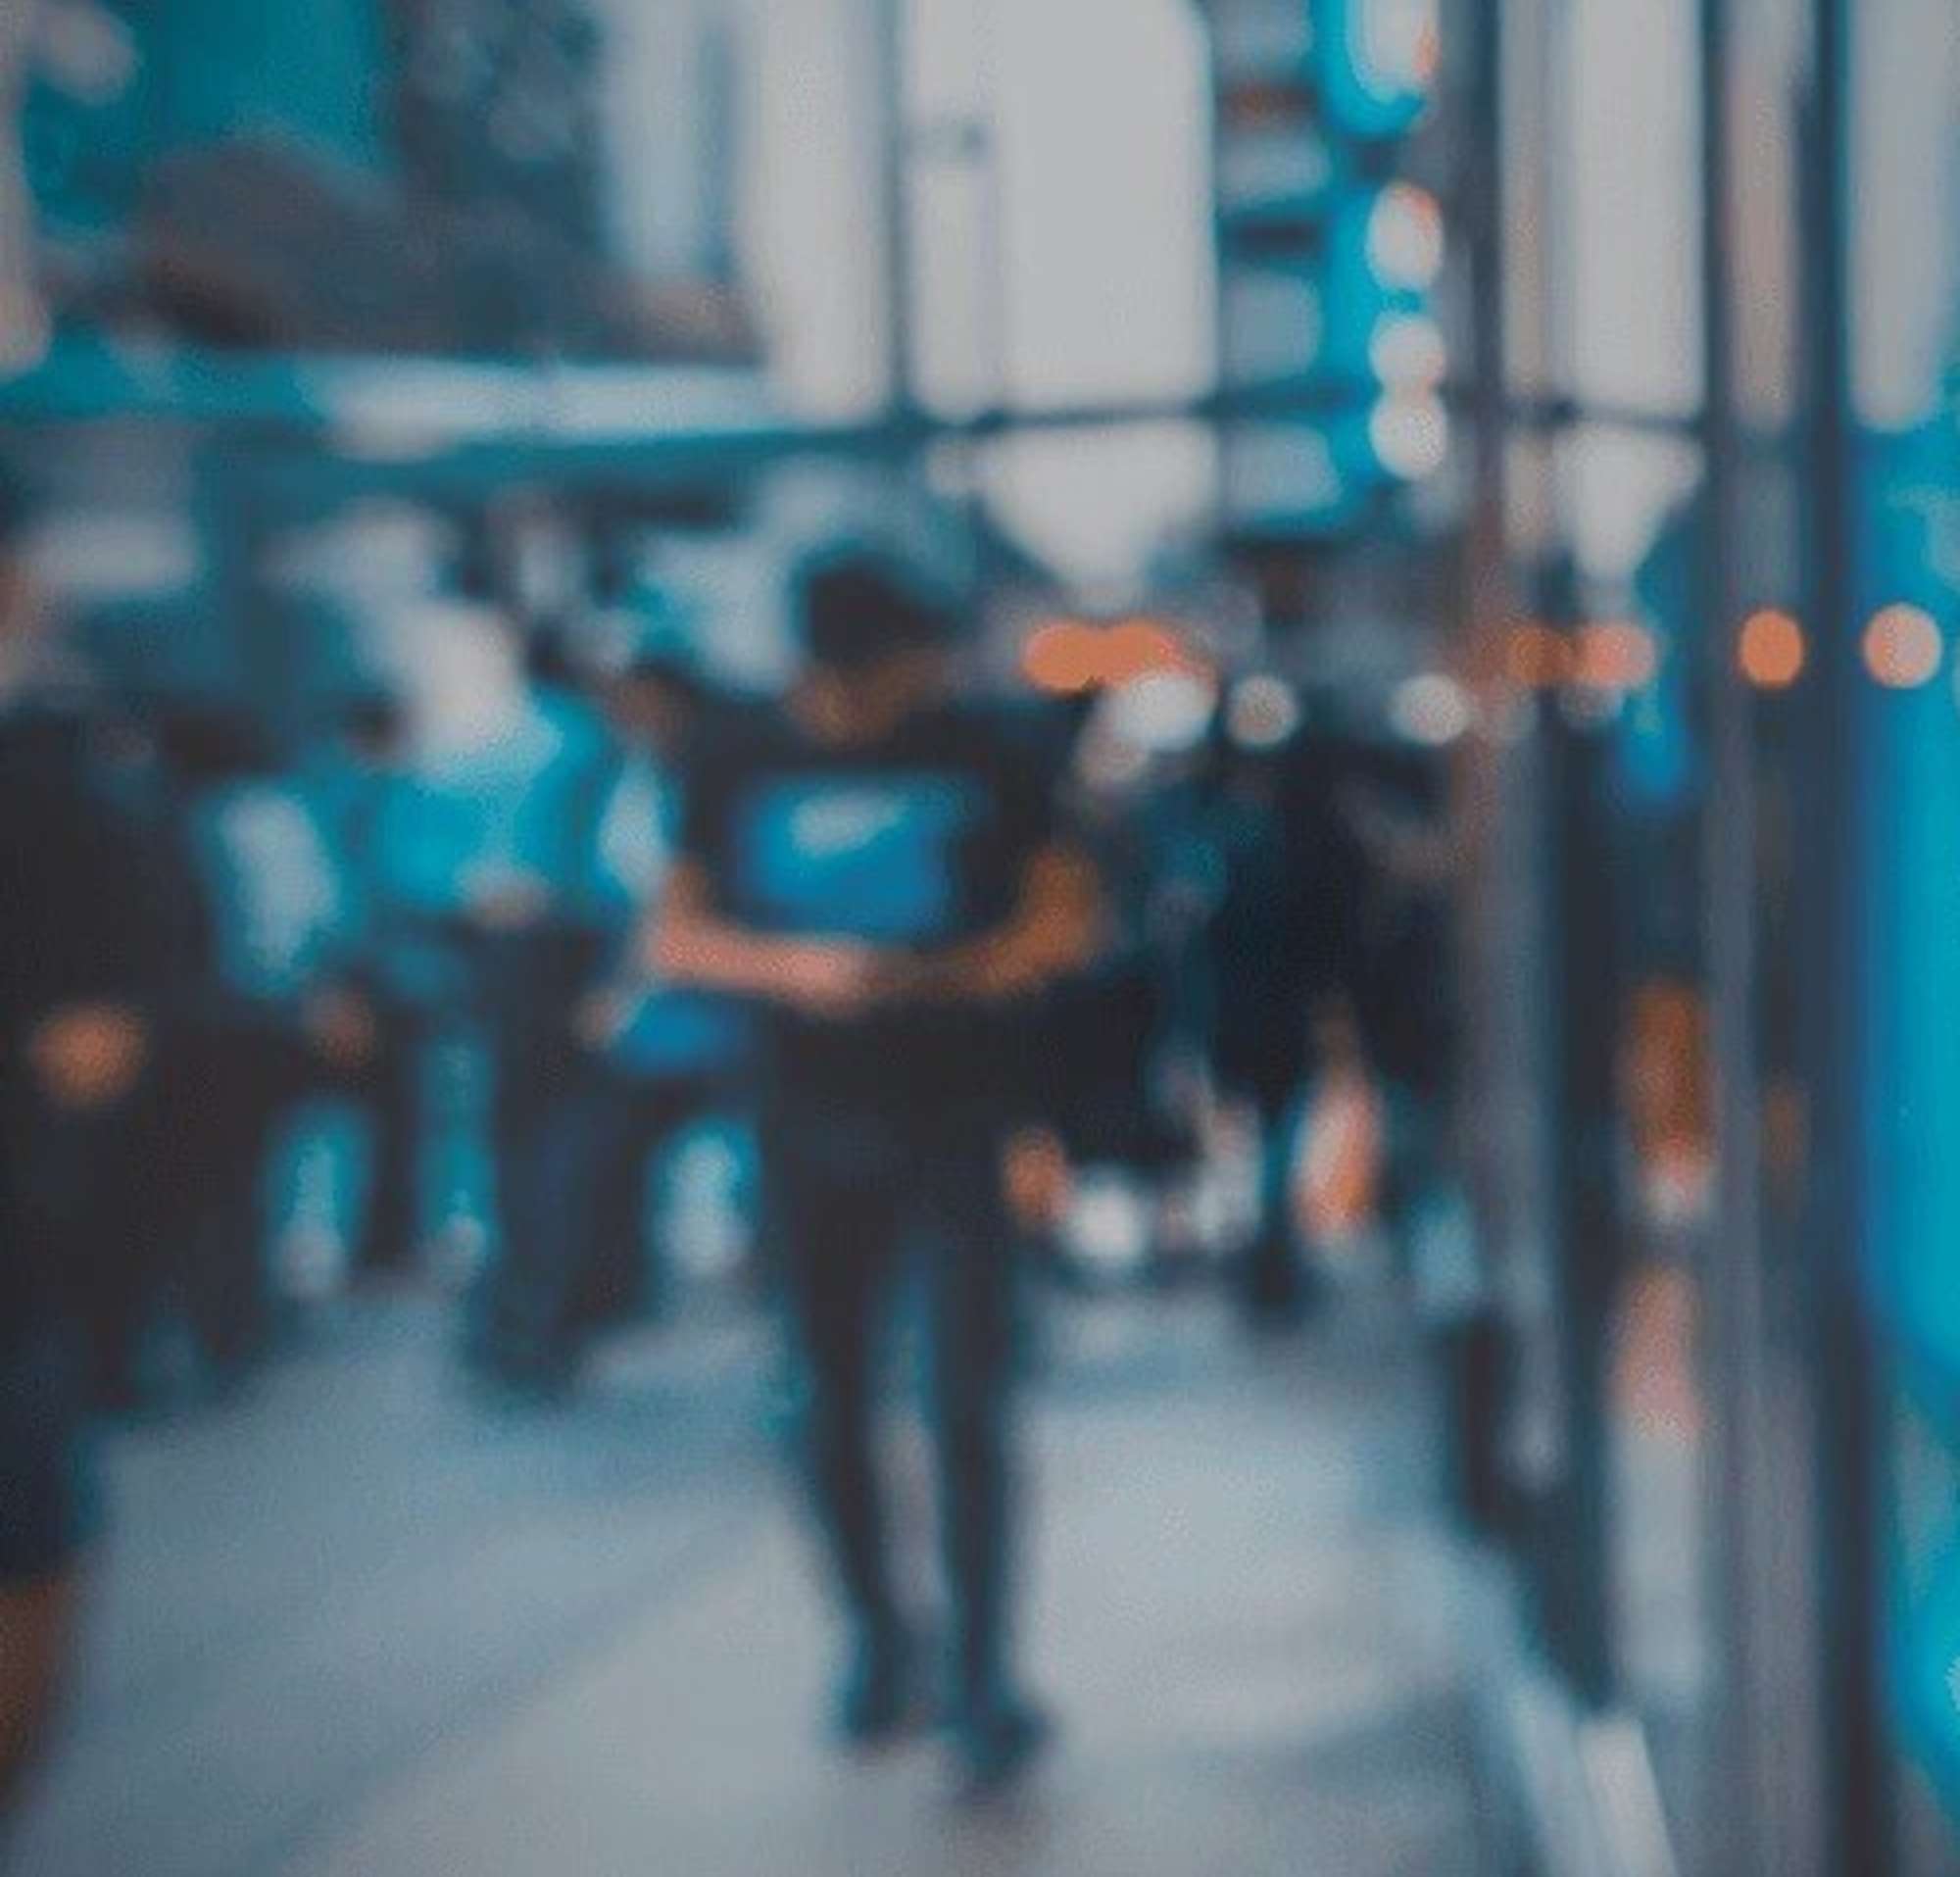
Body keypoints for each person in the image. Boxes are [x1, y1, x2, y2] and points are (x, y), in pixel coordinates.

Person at [654, 551, 1102, 1787]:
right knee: (823, 1399)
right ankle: (876, 1637)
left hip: (957, 1112)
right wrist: (798, 971)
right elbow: (674, 930)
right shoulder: (735, 753)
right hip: (804, 1122)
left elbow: (1066, 914)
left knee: (966, 1400)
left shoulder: (990, 748)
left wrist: (955, 975)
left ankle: (982, 1673)